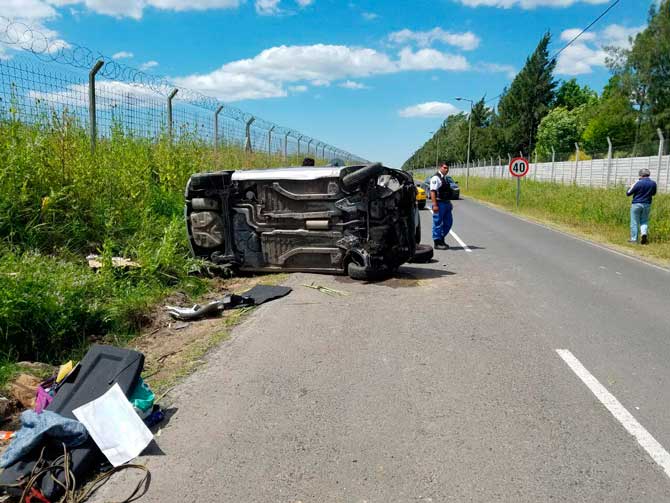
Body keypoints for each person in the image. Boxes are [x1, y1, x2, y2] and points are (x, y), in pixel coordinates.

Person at [626, 168, 657, 245]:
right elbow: (653, 193)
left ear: (640, 175)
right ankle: (643, 234)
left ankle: (634, 239)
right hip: (647, 204)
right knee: (644, 221)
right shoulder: (653, 183)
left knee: (634, 222)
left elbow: (628, 193)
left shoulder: (638, 183)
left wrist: (630, 186)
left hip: (636, 204)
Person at [429, 164, 454, 250]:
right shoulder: (436, 178)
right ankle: (437, 242)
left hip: (446, 203)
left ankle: (441, 239)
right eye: (445, 167)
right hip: (439, 203)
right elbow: (432, 192)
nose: (446, 169)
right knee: (438, 223)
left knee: (448, 222)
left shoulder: (445, 178)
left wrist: (449, 203)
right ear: (440, 167)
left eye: (448, 168)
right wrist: (434, 205)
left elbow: (447, 192)